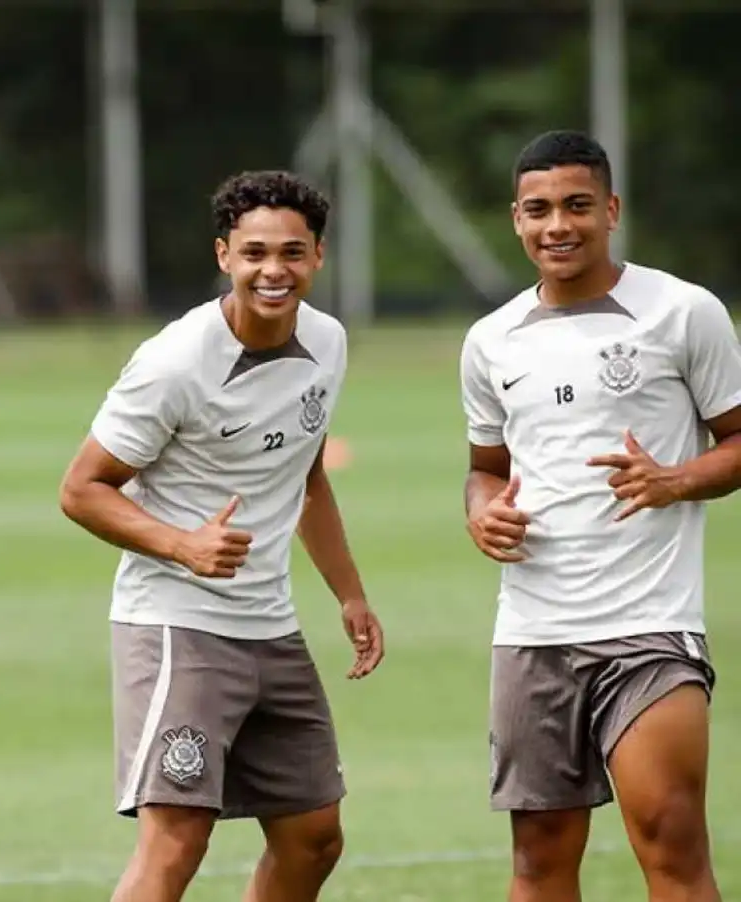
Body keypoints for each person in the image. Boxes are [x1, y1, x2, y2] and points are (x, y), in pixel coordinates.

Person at [59, 170, 385, 902]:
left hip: (272, 628)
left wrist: (350, 594)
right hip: (179, 627)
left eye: (292, 253)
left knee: (313, 836)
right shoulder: (174, 363)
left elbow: (308, 476)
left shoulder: (327, 343)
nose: (274, 271)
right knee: (177, 838)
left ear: (318, 258)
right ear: (224, 256)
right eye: (256, 253)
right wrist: (184, 546)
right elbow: (80, 490)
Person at [461, 129, 741, 902]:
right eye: (539, 209)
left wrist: (674, 479)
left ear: (611, 209)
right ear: (515, 219)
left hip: (648, 629)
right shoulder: (491, 341)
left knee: (671, 847)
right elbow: (485, 472)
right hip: (531, 636)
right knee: (539, 862)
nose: (559, 225)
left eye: (578, 205)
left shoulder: (684, 312)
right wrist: (482, 516)